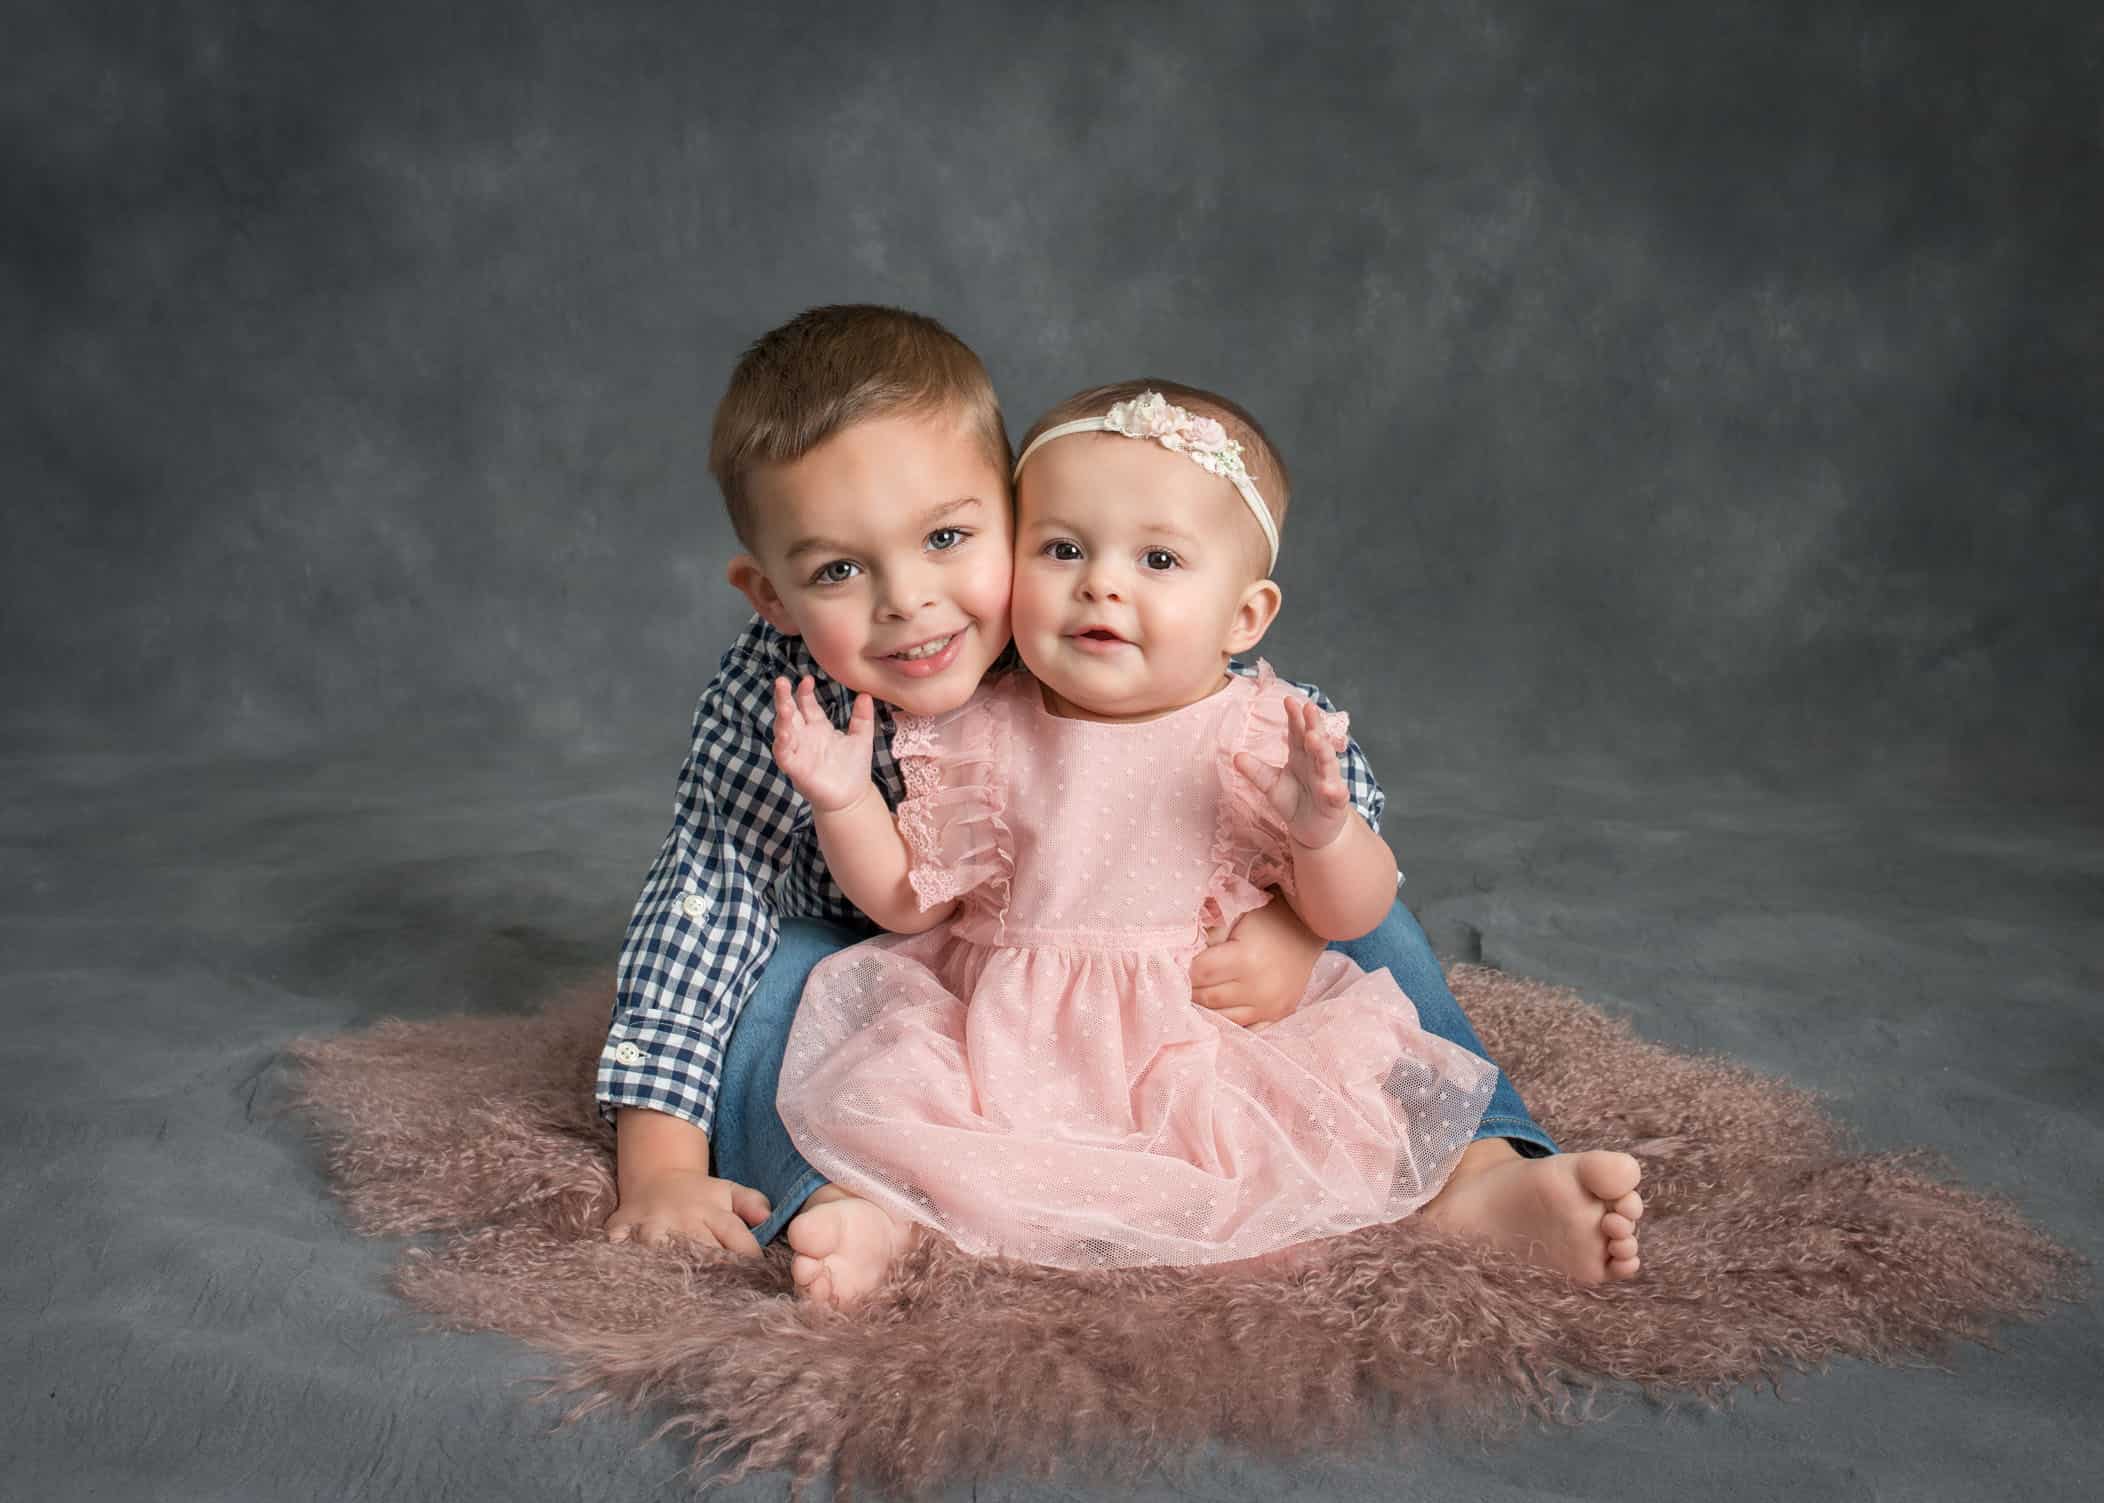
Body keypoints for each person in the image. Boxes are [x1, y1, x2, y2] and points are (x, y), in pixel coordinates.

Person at [596, 306, 1607, 1289]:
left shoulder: (1087, 618)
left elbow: (1304, 785)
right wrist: (661, 1169)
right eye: (838, 570)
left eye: (948, 539)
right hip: (895, 946)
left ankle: (1484, 1166)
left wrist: (1297, 929)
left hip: (1160, 942)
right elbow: (707, 910)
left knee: (1378, 921)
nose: (907, 601)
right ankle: (836, 1201)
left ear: (1012, 503)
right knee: (781, 983)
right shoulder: (779, 695)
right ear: (770, 593)